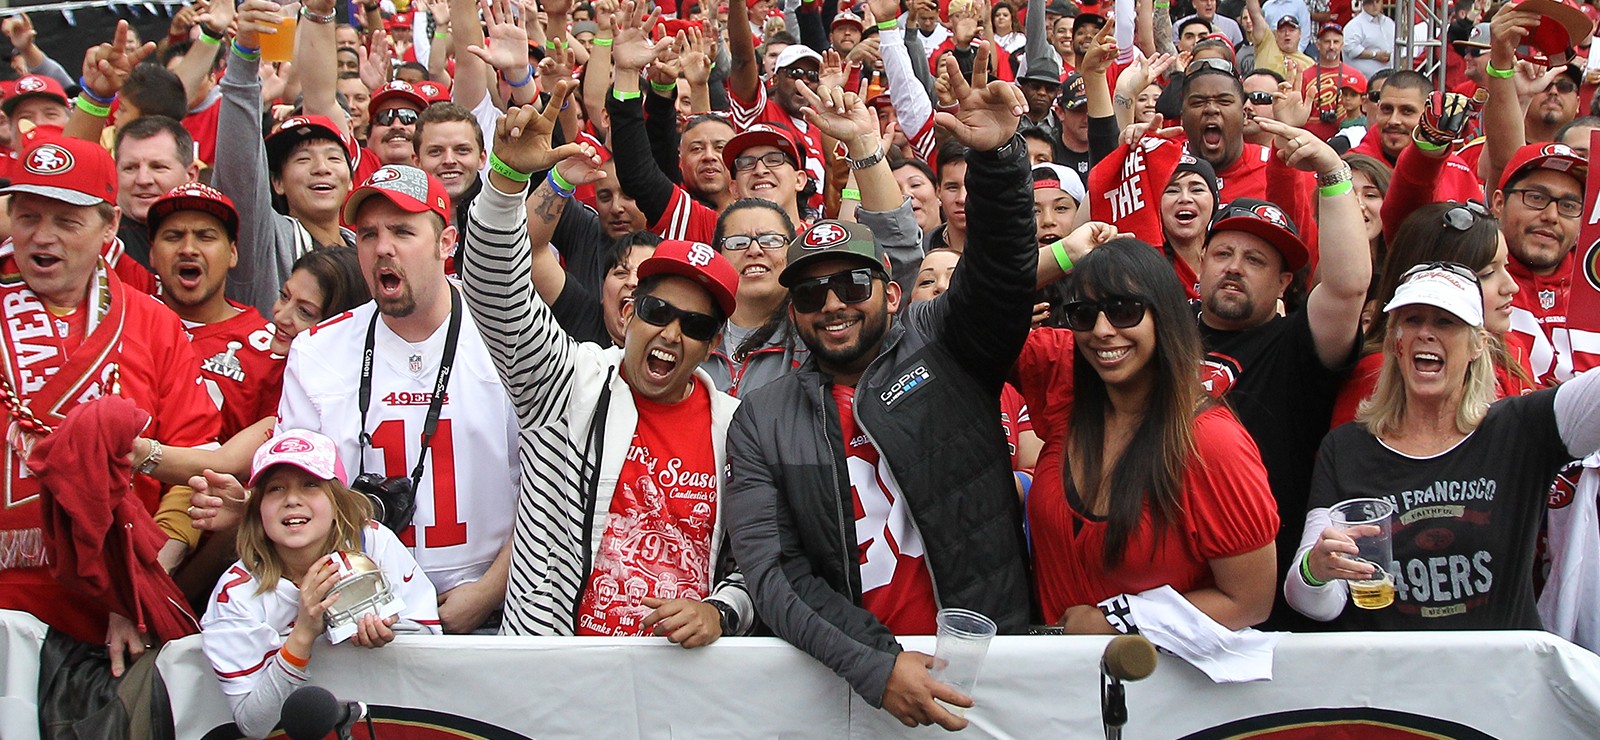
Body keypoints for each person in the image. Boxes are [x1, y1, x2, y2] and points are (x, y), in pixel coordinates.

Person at [724, 47, 1034, 731]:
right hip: (847, 687)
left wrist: (1001, 162)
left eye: (851, 284)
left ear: (892, 293)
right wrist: (876, 664)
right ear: (793, 310)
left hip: (989, 676)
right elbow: (775, 574)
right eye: (809, 291)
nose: (831, 303)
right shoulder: (763, 417)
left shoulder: (945, 343)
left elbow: (1006, 274)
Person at [457, 82, 756, 642]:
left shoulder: (737, 426)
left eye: (694, 324)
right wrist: (503, 182)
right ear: (631, 308)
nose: (671, 332)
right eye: (658, 309)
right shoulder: (564, 383)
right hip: (557, 681)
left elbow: (759, 554)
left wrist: (720, 611)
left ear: (714, 342)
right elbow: (495, 287)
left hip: (678, 689)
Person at [0, 133, 219, 673]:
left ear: (110, 227)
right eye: (27, 217)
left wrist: (136, 588)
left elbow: (194, 468)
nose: (41, 237)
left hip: (114, 614)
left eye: (67, 222)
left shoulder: (154, 323)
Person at [1287, 265, 1600, 629]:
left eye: (1446, 322)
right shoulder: (1346, 449)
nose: (1425, 333)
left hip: (1499, 679)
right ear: (1394, 340)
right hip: (1394, 678)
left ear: (1478, 345)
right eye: (1413, 319)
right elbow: (1311, 601)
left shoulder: (1522, 429)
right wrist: (1317, 570)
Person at [278, 164, 518, 634]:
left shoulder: (509, 337)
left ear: (446, 244)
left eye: (403, 231)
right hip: (355, 609)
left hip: (489, 607)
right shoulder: (318, 352)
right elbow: (298, 491)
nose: (383, 248)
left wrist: (491, 589)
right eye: (368, 234)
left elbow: (549, 487)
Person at [1013, 238, 1279, 634]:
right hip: (1057, 685)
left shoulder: (1211, 444)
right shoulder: (1065, 379)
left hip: (1160, 688)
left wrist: (1118, 621)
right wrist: (1064, 253)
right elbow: (962, 315)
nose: (1102, 331)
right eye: (1083, 314)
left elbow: (1251, 601)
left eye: (1124, 311)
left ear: (1164, 315)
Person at [1194, 118, 1371, 630]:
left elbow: (1347, 286)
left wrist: (1333, 174)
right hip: (1165, 570)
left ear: (1283, 282)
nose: (1234, 266)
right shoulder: (1159, 327)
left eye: (1255, 259)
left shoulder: (1297, 343)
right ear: (1201, 261)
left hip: (1263, 589)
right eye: (1223, 253)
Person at [200, 428, 441, 738]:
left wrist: (388, 632)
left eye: (310, 484)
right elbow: (253, 723)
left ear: (337, 500)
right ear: (258, 510)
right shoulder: (236, 591)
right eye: (275, 489)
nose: (292, 500)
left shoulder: (374, 542)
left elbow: (432, 639)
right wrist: (303, 633)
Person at [1331, 201, 1532, 427]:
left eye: (1506, 266)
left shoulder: (1511, 349)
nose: (1511, 286)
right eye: (1487, 274)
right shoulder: (1379, 372)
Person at [113, 116, 201, 269]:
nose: (143, 180)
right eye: (130, 168)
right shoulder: (98, 240)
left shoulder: (214, 237)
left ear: (191, 176)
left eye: (158, 167)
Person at [1342, 0, 1395, 80]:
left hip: (1389, 78)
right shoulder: (1354, 25)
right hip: (1364, 81)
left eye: (1377, 1)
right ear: (1363, 4)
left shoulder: (1389, 23)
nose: (1374, 5)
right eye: (1370, 2)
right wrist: (1375, 55)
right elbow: (1351, 49)